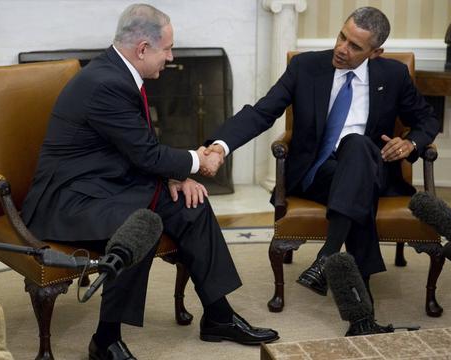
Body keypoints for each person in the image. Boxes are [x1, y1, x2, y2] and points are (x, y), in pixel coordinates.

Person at [20, 4, 278, 360]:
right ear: (142, 48)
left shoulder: (119, 73)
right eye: (167, 49)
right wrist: (195, 161)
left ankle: (218, 316)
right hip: (68, 199)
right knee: (142, 223)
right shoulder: (107, 84)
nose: (171, 57)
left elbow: (133, 149)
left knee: (192, 204)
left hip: (107, 183)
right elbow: (145, 154)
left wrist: (174, 176)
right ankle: (105, 340)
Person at [206, 7, 439, 304]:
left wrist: (411, 144)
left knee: (356, 145)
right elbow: (262, 112)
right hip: (316, 173)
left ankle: (328, 257)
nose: (342, 49)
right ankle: (355, 288)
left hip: (371, 168)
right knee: (357, 185)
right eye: (342, 36)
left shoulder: (393, 75)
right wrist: (221, 146)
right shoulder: (306, 66)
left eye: (355, 46)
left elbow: (427, 120)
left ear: (376, 51)